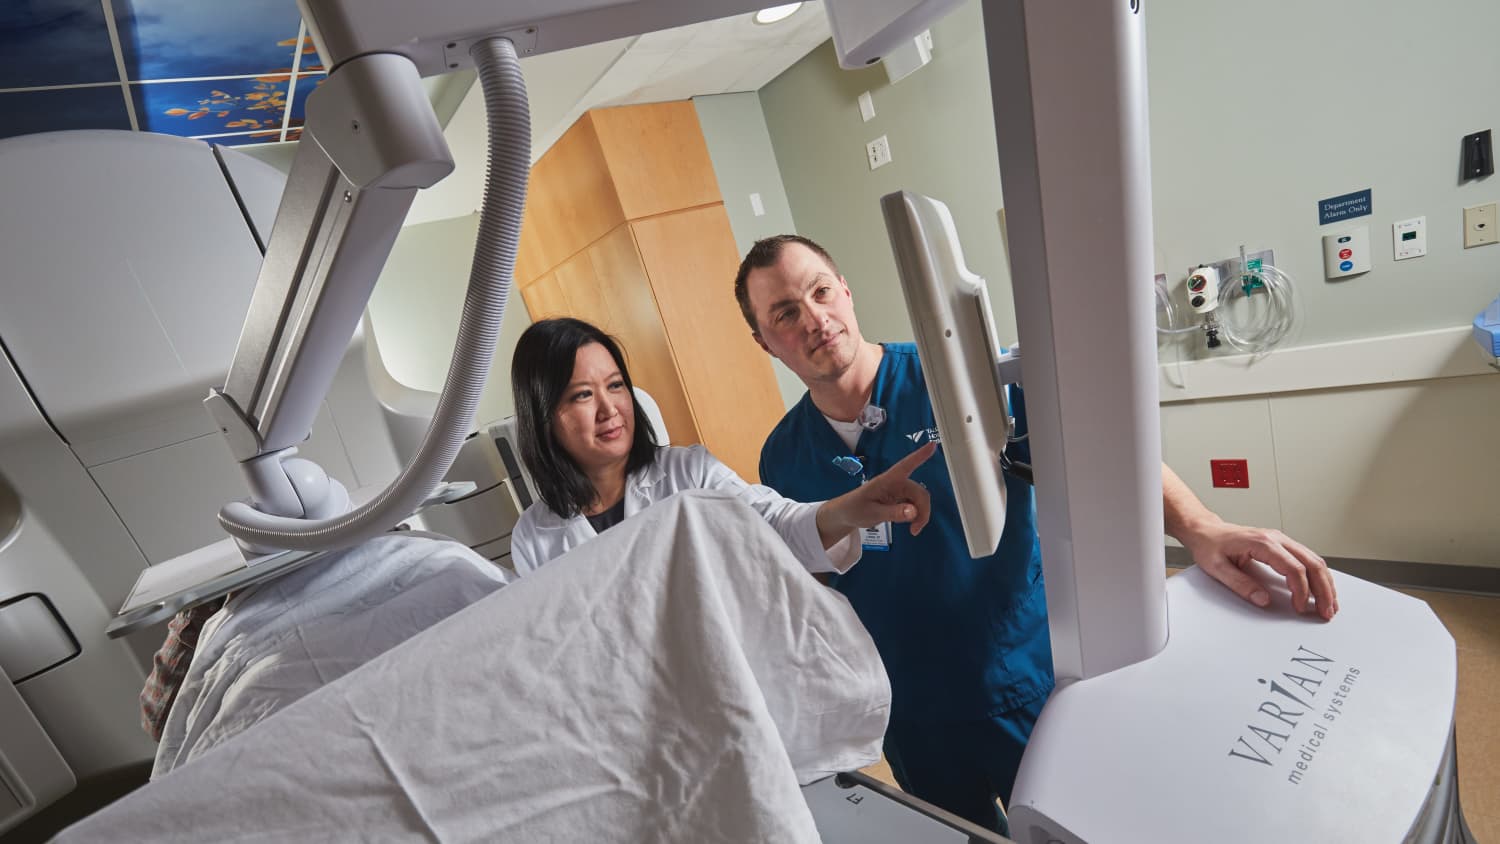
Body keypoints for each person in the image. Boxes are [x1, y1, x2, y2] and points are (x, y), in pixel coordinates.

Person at [734, 234, 1339, 835]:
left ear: (845, 289)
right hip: (910, 714)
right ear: (763, 341)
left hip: (1022, 681)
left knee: (1084, 826)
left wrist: (1200, 526)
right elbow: (809, 585)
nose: (815, 319)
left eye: (820, 292)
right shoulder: (783, 459)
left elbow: (1099, 442)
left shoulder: (966, 381)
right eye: (785, 313)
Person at [507, 317, 937, 578]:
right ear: (544, 416)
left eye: (616, 386)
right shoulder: (535, 536)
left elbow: (773, 526)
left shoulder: (688, 473)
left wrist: (849, 509)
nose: (610, 409)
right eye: (582, 395)